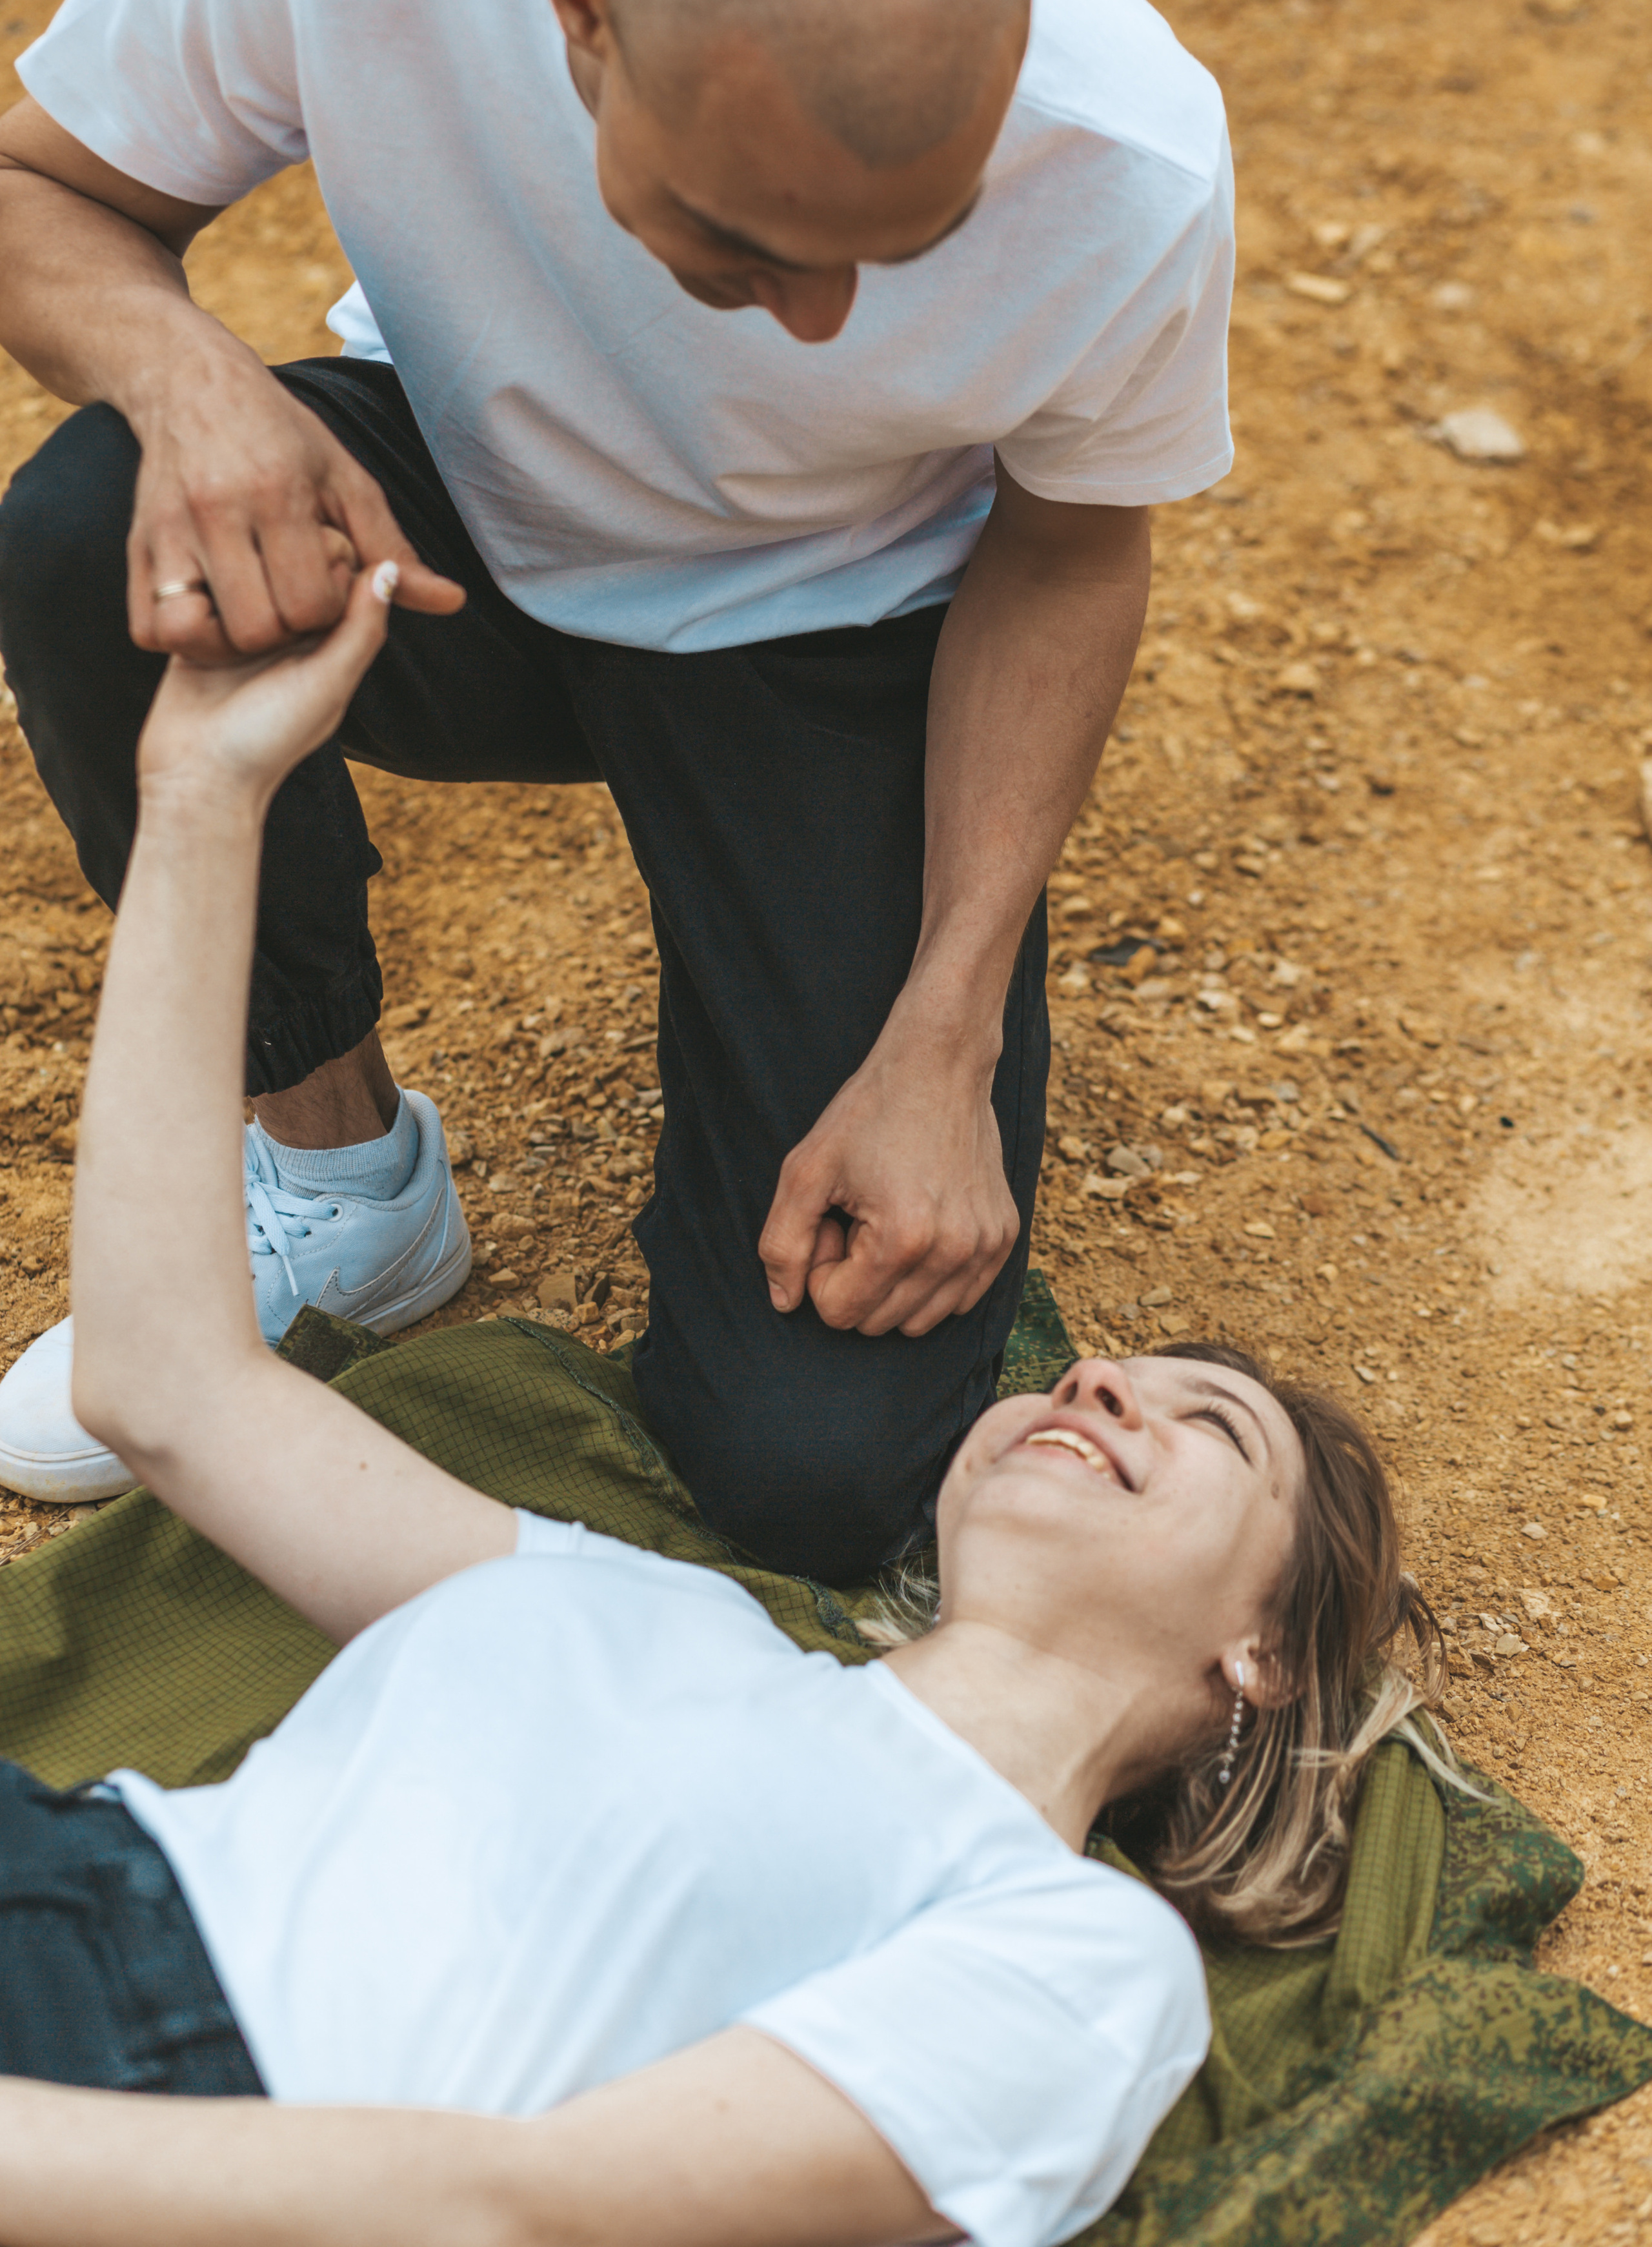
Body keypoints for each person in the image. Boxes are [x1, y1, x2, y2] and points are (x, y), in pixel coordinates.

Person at [0, 567, 1446, 2247]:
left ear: (1262, 1658)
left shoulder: (1087, 1967)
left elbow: (530, 2214)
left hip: (168, 2109)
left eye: (1215, 1433)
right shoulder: (639, 1603)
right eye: (1122, 1374)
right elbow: (166, 1387)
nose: (1108, 1380)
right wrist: (198, 797)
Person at [0, 0, 1234, 1578]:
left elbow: (1062, 548)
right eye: (748, 241)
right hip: (450, 537)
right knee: (87, 527)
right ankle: (345, 1180)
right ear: (583, 9)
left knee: (813, 1472)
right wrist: (188, 384)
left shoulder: (1125, 161)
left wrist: (943, 1032)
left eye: (891, 256)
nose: (820, 324)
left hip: (840, 631)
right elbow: (40, 189)